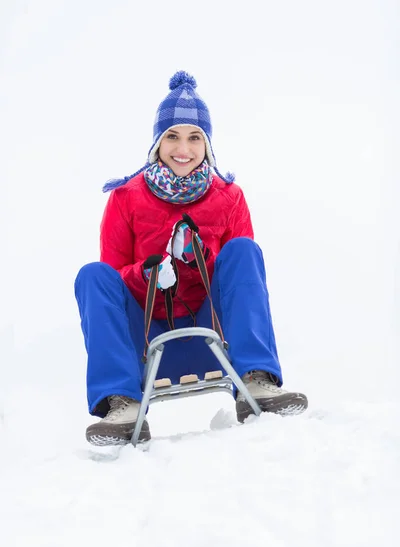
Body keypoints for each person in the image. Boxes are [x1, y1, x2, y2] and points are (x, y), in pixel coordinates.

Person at [74, 70, 308, 446]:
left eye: (194, 137)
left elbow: (239, 276)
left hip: (214, 334)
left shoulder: (229, 196)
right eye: (173, 136)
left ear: (207, 144)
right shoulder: (125, 198)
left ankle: (257, 379)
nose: (183, 148)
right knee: (92, 275)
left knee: (244, 250)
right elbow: (112, 281)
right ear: (157, 141)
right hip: (150, 339)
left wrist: (197, 257)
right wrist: (150, 273)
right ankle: (122, 401)